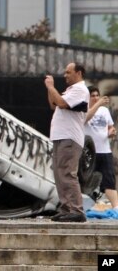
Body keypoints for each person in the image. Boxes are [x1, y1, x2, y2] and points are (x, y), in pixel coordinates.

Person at [44, 62, 90, 222]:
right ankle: (66, 208)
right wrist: (51, 88)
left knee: (67, 173)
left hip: (70, 137)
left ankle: (76, 209)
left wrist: (51, 87)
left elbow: (62, 104)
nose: (65, 75)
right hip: (60, 136)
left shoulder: (80, 90)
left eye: (68, 72)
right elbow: (54, 104)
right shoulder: (70, 90)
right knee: (59, 173)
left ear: (78, 73)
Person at [85, 86, 118, 209]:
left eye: (97, 95)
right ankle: (86, 206)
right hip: (89, 153)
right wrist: (98, 103)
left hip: (105, 151)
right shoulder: (84, 109)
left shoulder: (104, 110)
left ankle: (116, 208)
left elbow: (110, 127)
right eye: (92, 96)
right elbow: (85, 118)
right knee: (87, 181)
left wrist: (112, 131)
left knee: (109, 180)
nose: (95, 98)